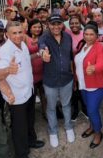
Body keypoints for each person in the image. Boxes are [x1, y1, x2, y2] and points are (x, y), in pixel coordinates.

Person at [0, 21, 44, 158]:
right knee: (19, 127)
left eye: (20, 32)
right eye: (14, 33)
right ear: (7, 34)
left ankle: (31, 140)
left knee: (30, 119)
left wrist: (38, 54)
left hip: (28, 90)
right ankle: (21, 155)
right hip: (16, 97)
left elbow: (26, 60)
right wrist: (8, 70)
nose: (18, 35)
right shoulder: (4, 52)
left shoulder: (22, 45)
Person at [39, 15, 75, 147]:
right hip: (50, 80)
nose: (56, 27)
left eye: (58, 23)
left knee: (66, 104)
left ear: (62, 24)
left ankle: (68, 127)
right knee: (51, 107)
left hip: (67, 78)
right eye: (53, 24)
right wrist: (43, 54)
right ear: (48, 24)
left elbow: (70, 57)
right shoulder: (44, 37)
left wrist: (73, 74)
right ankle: (53, 131)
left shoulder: (68, 37)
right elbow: (41, 47)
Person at [75, 23, 103, 149]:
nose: (88, 37)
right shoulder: (83, 46)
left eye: (91, 34)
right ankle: (92, 126)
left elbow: (102, 64)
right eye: (86, 34)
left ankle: (98, 133)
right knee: (89, 109)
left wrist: (93, 68)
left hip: (96, 86)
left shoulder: (99, 47)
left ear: (97, 36)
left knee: (92, 110)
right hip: (83, 85)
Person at [25, 19, 46, 119]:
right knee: (31, 97)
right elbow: (24, 57)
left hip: (44, 72)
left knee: (44, 95)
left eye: (39, 27)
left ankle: (45, 114)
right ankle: (31, 118)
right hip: (30, 74)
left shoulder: (44, 37)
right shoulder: (25, 38)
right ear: (30, 28)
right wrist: (38, 53)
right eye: (35, 27)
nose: (37, 29)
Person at [68, 15, 87, 121]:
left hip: (84, 67)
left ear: (80, 24)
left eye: (76, 23)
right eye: (72, 23)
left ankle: (84, 108)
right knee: (74, 89)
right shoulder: (66, 35)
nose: (74, 25)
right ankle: (75, 110)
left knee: (83, 87)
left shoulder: (85, 34)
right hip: (71, 66)